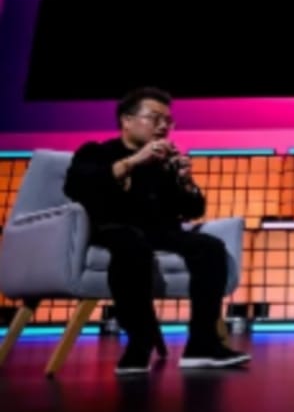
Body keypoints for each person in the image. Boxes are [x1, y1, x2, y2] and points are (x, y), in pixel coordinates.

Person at [63, 87, 250, 374]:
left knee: (210, 247)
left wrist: (185, 181)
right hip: (114, 227)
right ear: (127, 120)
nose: (163, 126)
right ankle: (139, 342)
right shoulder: (96, 152)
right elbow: (77, 186)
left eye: (168, 121)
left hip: (160, 231)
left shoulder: (164, 163)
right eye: (154, 118)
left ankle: (202, 344)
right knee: (131, 245)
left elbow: (193, 210)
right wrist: (134, 161)